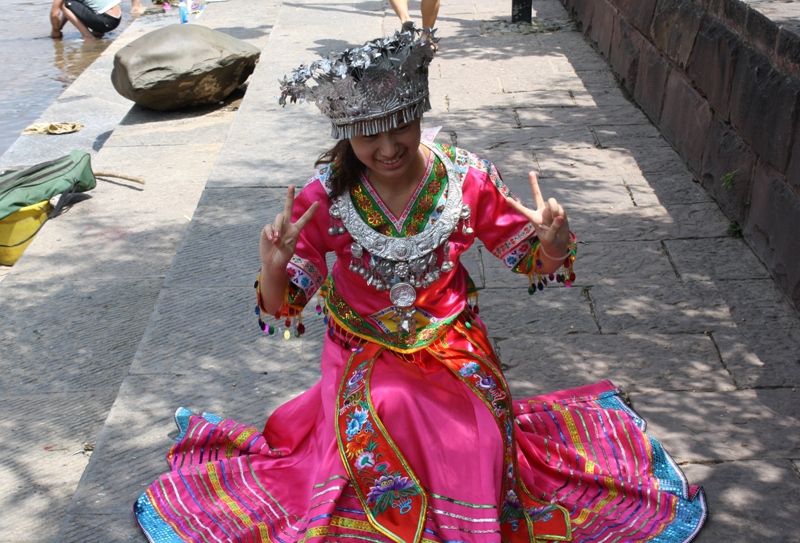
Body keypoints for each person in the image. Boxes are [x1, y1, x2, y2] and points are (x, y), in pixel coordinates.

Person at [133, 27, 707, 543]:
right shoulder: (323, 200)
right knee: (387, 408)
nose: (387, 149)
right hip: (360, 351)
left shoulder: (467, 178)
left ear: (419, 113)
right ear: (345, 133)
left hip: (454, 343)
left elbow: (531, 260)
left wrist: (554, 245)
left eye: (399, 128)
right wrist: (275, 264)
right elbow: (282, 311)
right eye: (366, 134)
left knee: (484, 435)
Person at [50, 0, 121, 40]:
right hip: (116, 18)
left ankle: (87, 36)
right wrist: (60, 27)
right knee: (70, 3)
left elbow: (54, 14)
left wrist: (55, 31)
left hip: (106, 21)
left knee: (65, 4)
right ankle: (98, 31)